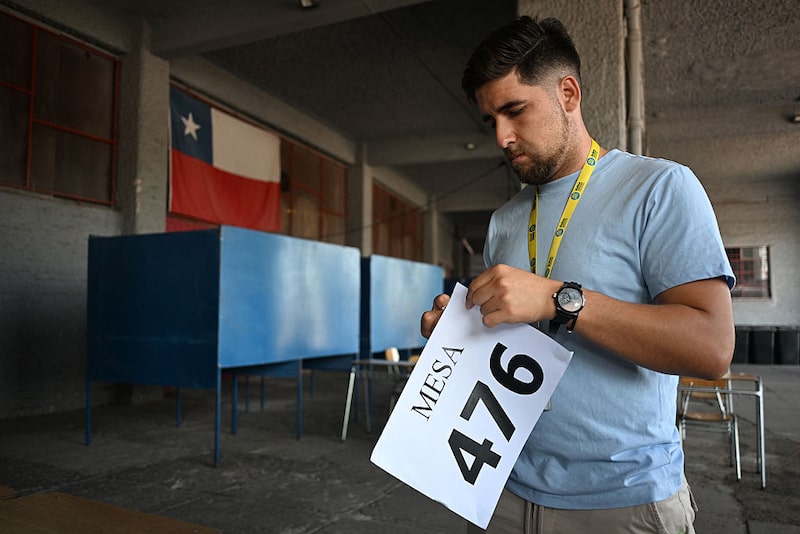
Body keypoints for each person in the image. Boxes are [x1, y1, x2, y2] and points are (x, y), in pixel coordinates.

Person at [420, 15, 735, 534]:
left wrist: (560, 299)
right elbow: (513, 346)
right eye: (490, 120)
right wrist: (459, 333)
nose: (501, 136)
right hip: (505, 488)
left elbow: (712, 348)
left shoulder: (658, 188)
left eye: (514, 110)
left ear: (568, 93)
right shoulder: (504, 221)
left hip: (624, 500)